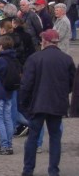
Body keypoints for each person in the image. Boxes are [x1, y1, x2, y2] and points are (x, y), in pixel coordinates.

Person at [20, 29, 76, 176]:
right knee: (55, 138)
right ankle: (53, 170)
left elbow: (26, 84)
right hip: (58, 103)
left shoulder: (34, 58)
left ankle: (28, 170)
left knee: (32, 138)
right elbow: (72, 83)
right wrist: (63, 93)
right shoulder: (66, 59)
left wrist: (23, 103)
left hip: (38, 103)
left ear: (44, 41)